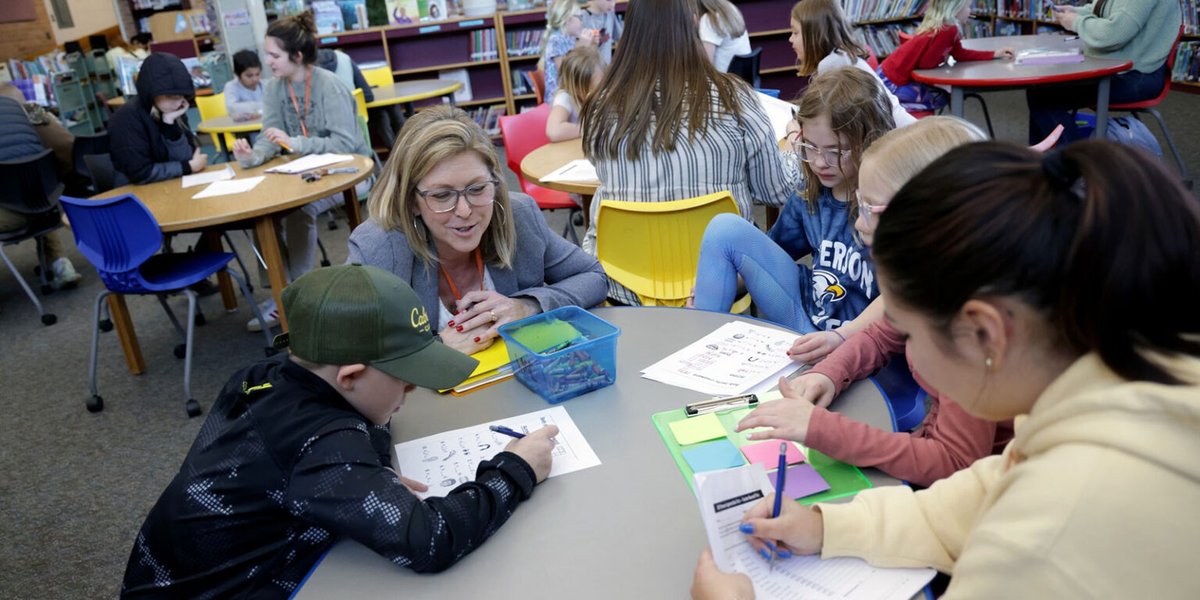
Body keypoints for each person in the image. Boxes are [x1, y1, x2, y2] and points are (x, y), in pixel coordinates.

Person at [691, 140, 1200, 598]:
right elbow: (988, 490)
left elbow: (1008, 517)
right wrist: (828, 528)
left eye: (910, 332)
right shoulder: (1115, 373)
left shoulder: (1044, 538)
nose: (902, 342)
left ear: (984, 334)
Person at [120, 264, 560, 598]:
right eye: (404, 378)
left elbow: (353, 437)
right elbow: (430, 542)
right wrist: (515, 469)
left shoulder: (267, 374)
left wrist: (364, 468)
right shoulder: (320, 443)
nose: (411, 390)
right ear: (349, 376)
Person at [734, 117, 1016, 488]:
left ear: (925, 218)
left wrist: (824, 429)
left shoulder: (969, 326)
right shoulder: (932, 277)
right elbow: (881, 335)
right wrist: (827, 374)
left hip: (986, 495)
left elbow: (954, 462)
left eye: (869, 207)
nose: (860, 224)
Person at [581, 0, 795, 304]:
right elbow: (776, 191)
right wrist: (795, 149)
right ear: (694, 23)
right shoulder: (735, 98)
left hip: (624, 288)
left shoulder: (600, 106)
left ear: (629, 33)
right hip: (720, 286)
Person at [347, 106, 607, 355]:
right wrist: (434, 351)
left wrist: (527, 307)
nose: (464, 210)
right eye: (442, 195)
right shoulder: (378, 246)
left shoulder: (518, 214)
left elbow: (594, 276)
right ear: (411, 200)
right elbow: (350, 353)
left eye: (477, 189)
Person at [692, 67, 893, 335]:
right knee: (724, 229)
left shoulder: (888, 205)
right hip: (808, 322)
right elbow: (769, 257)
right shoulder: (810, 193)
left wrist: (841, 340)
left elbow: (903, 301)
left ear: (871, 141)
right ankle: (698, 347)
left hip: (866, 342)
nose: (820, 162)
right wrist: (716, 285)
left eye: (836, 151)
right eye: (810, 146)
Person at [232, 12, 374, 332]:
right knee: (262, 210)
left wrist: (294, 141)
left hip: (346, 172)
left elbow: (345, 143)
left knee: (299, 209)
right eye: (266, 54)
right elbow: (270, 137)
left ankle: (298, 295)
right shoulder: (273, 89)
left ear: (296, 56)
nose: (267, 62)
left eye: (274, 55)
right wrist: (251, 156)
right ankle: (282, 294)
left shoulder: (330, 86)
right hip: (302, 172)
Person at [1028, 0, 1182, 144]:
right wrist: (1075, 12)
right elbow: (1101, 10)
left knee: (1043, 96)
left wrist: (1076, 22)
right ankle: (1046, 164)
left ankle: (1073, 164)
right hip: (1119, 67)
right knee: (1041, 90)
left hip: (1137, 76)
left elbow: (1113, 34)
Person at [788, 0, 916, 127]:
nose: (790, 39)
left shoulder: (832, 64)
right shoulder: (842, 55)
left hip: (896, 131)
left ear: (814, 34)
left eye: (795, 33)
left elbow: (820, 117)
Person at [0, 95, 81, 289]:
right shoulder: (15, 106)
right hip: (49, 203)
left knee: (16, 200)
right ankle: (60, 263)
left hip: (19, 213)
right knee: (27, 194)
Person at [877, 0, 1013, 112]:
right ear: (955, 8)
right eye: (968, 7)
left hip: (885, 74)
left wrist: (994, 54)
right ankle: (892, 106)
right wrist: (943, 58)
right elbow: (926, 64)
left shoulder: (944, 27)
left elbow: (960, 54)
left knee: (944, 94)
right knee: (942, 98)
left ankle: (890, 104)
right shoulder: (947, 30)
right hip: (891, 83)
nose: (970, 12)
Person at [109, 53, 207, 185]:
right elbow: (140, 173)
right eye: (169, 96)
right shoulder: (126, 119)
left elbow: (188, 157)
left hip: (169, 185)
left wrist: (170, 124)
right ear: (151, 92)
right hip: (134, 192)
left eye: (180, 96)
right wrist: (187, 167)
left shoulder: (172, 111)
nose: (178, 103)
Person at [546, 46, 604, 142]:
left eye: (601, 87)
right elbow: (553, 131)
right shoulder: (565, 97)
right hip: (569, 153)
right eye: (592, 89)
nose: (599, 93)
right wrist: (589, 130)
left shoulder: (601, 93)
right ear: (575, 87)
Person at [541, 0, 597, 100]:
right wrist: (581, 47)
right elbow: (565, 71)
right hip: (558, 97)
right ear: (567, 19)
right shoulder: (555, 40)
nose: (582, 21)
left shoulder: (570, 38)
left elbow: (583, 65)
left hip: (570, 91)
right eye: (579, 17)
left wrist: (591, 46)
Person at [697, 0, 751, 73]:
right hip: (743, 79)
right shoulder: (730, 8)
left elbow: (705, 65)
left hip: (724, 81)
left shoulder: (709, 19)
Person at [223, 49, 264, 121]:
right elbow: (232, 107)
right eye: (249, 76)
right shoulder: (232, 87)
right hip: (244, 129)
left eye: (258, 74)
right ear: (238, 75)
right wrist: (261, 106)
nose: (255, 79)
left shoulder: (264, 85)